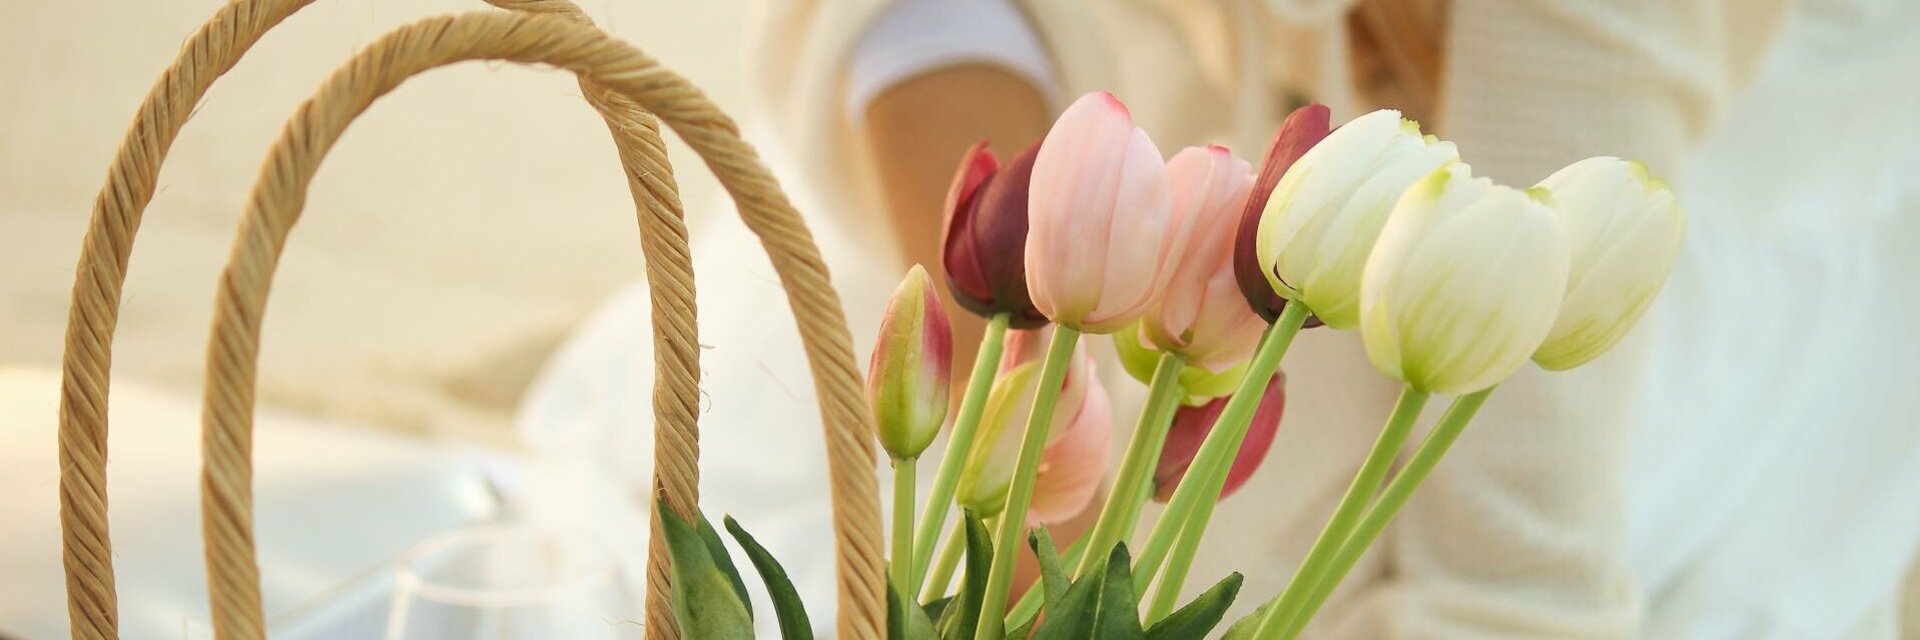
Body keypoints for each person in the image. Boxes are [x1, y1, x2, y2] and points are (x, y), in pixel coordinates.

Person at [518, 0, 1920, 636]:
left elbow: (1518, 572)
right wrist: (1030, 386)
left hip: (1638, 200)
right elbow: (922, 19)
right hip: (1216, 166)